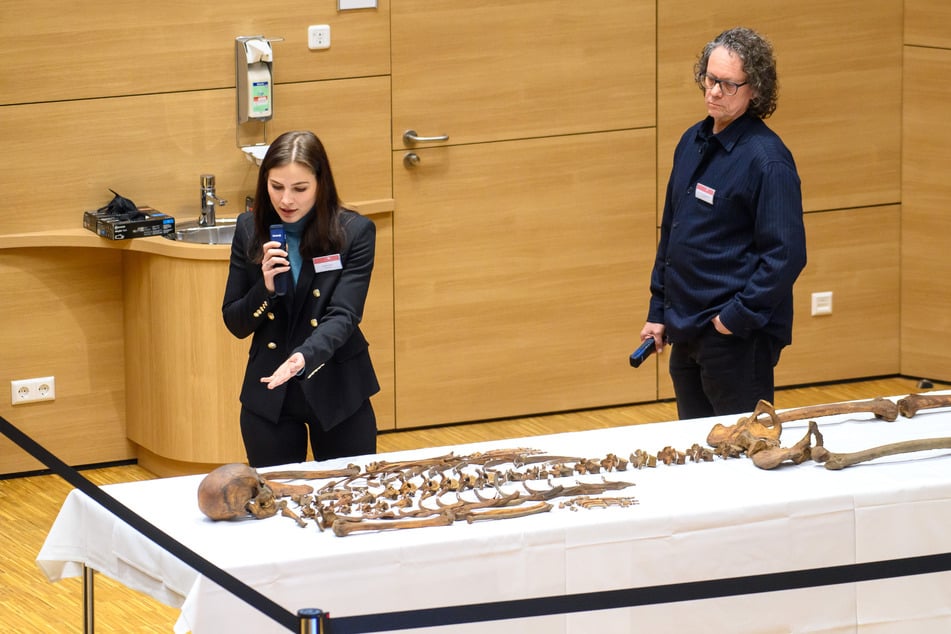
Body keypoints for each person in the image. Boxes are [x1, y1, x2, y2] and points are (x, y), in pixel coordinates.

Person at [641, 27, 807, 420]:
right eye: (710, 78)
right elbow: (673, 232)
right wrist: (658, 309)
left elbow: (785, 257)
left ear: (755, 91)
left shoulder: (768, 161)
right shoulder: (692, 141)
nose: (714, 91)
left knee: (742, 456)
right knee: (697, 453)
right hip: (686, 329)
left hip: (734, 339)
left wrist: (732, 320)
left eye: (728, 84)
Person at [223, 130, 380, 467]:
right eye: (276, 186)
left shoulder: (354, 233)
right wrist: (264, 289)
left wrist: (301, 358)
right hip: (270, 392)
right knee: (272, 505)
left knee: (349, 498)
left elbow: (343, 315)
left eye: (300, 189)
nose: (286, 201)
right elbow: (235, 322)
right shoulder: (249, 229)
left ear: (321, 184)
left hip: (337, 385)